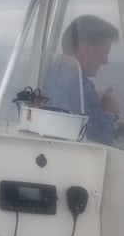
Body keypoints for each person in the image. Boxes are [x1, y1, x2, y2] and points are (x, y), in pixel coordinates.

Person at [42, 15, 121, 145]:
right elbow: (102, 139)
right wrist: (112, 113)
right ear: (86, 49)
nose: (106, 61)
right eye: (105, 52)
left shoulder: (49, 74)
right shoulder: (78, 87)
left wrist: (95, 103)